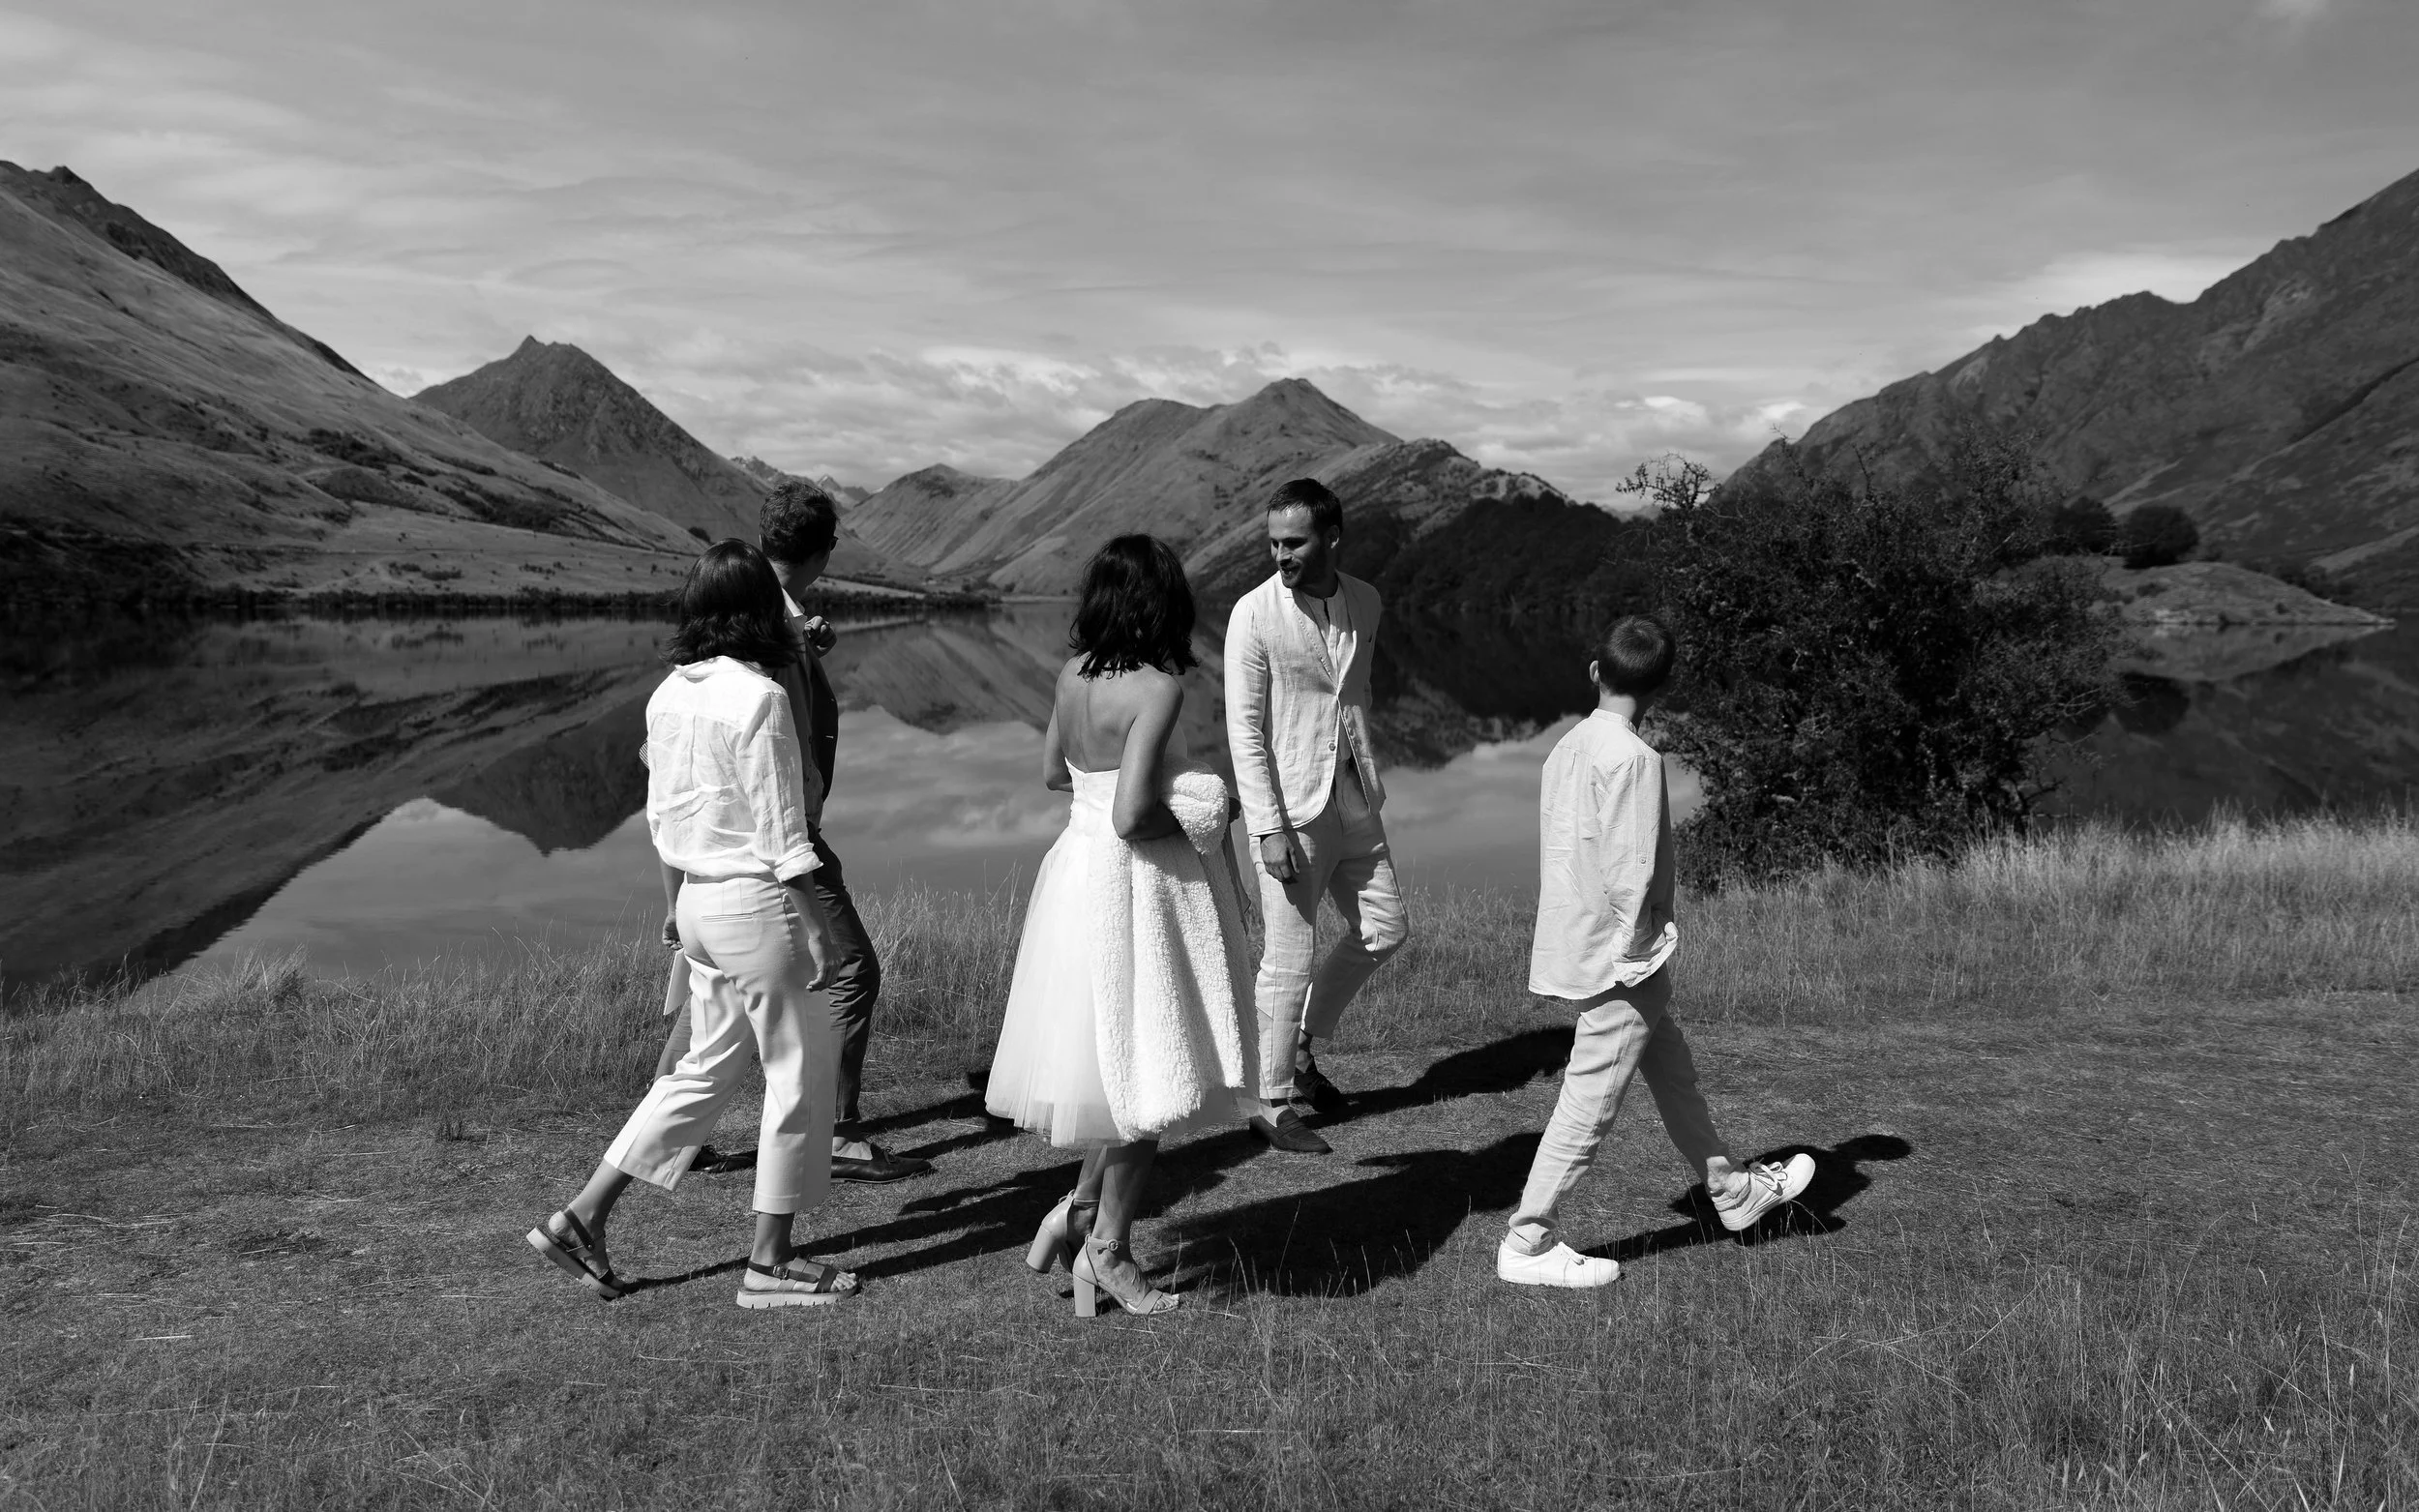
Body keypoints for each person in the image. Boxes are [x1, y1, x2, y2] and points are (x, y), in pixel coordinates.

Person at [526, 541, 862, 1310]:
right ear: (758, 612)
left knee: (703, 1070)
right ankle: (770, 1265)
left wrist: (673, 907)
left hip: (699, 902)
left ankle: (582, 1215)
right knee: (800, 1076)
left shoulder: (666, 696)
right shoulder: (761, 697)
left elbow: (662, 819)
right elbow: (783, 833)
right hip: (758, 905)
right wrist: (815, 926)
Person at [1496, 615, 1814, 1289]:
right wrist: (1644, 951)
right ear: (1663, 688)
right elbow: (1633, 870)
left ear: (1594, 671)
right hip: (1619, 956)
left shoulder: (1565, 747)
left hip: (1578, 943)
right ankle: (1527, 1240)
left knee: (1673, 1072)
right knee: (1589, 1100)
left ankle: (1732, 1190)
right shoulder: (1636, 759)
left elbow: (1565, 853)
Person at [986, 535, 1258, 1317]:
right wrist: (1209, 807)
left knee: (1113, 1073)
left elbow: (1050, 773)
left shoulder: (1071, 675)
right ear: (1163, 602)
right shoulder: (1159, 688)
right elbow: (1136, 814)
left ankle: (1071, 1220)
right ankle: (1108, 1251)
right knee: (1145, 1076)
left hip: (1073, 869)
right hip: (1126, 883)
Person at [651, 481, 930, 1184]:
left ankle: (668, 1135)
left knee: (715, 987)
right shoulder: (762, 626)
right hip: (776, 838)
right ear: (823, 550)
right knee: (850, 970)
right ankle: (833, 1131)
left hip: (718, 846)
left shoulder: (766, 618)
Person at [1223, 478, 1408, 1155]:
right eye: (1273, 541)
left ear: (1331, 537)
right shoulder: (1252, 613)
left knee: (1386, 927)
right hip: (1291, 809)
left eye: (1293, 541)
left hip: (1354, 795)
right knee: (1289, 956)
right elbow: (1243, 728)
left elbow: (1353, 692)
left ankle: (1300, 1046)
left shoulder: (1368, 600)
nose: (1280, 553)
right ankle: (1271, 1102)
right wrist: (1266, 825)